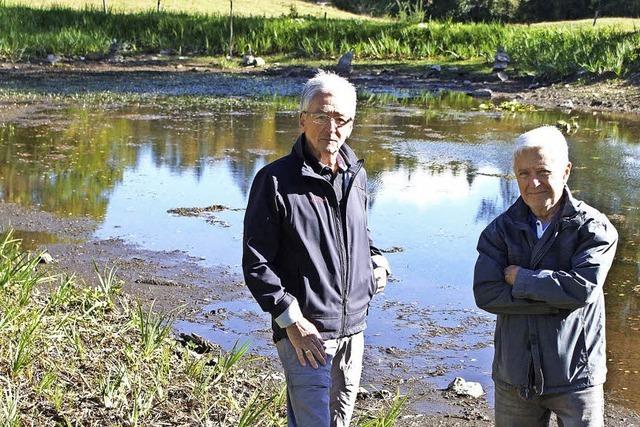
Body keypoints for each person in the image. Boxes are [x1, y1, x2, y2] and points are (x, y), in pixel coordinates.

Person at [242, 70, 390, 427]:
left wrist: (376, 260)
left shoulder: (355, 174)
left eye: (340, 119)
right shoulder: (275, 181)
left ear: (352, 123)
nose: (331, 127)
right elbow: (256, 263)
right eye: (321, 116)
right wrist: (290, 320)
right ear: (302, 119)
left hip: (354, 328)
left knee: (337, 422)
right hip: (306, 333)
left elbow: (355, 233)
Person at [473, 126, 618, 426]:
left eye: (542, 171)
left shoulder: (593, 228)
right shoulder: (499, 231)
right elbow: (486, 293)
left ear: (566, 171)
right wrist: (558, 299)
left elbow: (582, 289)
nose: (533, 183)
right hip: (515, 377)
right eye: (523, 174)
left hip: (577, 376)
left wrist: (522, 279)